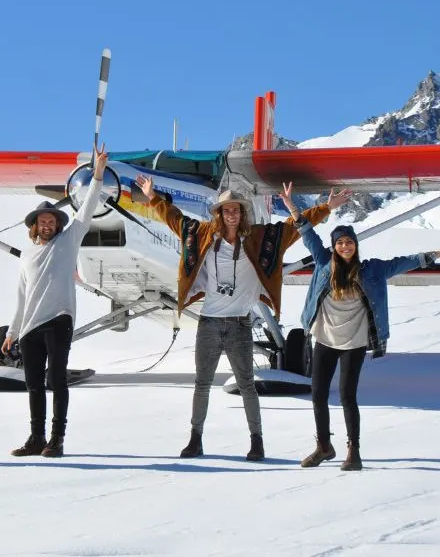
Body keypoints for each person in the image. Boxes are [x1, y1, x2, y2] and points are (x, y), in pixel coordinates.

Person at [136, 174, 351, 460]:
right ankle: (195, 439)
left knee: (247, 385)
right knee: (202, 383)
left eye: (236, 209)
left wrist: (327, 207)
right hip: (209, 323)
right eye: (227, 209)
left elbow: (293, 228)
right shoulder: (201, 237)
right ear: (219, 214)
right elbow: (173, 218)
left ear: (242, 213)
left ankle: (256, 442)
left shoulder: (261, 239)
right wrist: (152, 196)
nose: (232, 213)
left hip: (240, 324)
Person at [280, 183, 440, 471]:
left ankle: (354, 451)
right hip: (326, 338)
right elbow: (306, 233)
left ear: (355, 245)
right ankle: (324, 446)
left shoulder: (372, 270)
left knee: (348, 396)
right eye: (340, 243)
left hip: (355, 340)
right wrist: (291, 206)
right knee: (318, 394)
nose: (345, 246)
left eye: (349, 242)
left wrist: (437, 253)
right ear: (334, 247)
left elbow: (405, 262)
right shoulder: (324, 262)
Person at [5, 145, 109, 458]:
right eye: (42, 222)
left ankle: (57, 439)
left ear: (58, 225)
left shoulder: (69, 239)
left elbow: (88, 208)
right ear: (34, 226)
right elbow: (22, 296)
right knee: (34, 385)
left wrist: (98, 174)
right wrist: (12, 331)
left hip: (59, 320)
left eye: (52, 221)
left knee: (56, 380)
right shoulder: (26, 255)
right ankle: (36, 438)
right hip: (30, 327)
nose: (47, 225)